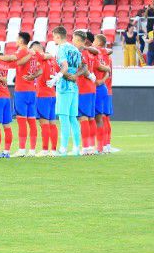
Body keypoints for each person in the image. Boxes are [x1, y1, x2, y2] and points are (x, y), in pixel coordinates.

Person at [0, 31, 40, 157]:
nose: (16, 41)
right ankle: (32, 150)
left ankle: (22, 149)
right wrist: (33, 76)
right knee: (32, 121)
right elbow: (39, 69)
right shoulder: (33, 54)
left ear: (21, 41)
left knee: (22, 120)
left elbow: (12, 58)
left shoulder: (23, 51)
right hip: (32, 91)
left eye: (17, 39)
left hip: (22, 90)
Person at [51, 26, 85, 157]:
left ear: (58, 36)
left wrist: (58, 76)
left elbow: (64, 66)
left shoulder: (61, 49)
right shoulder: (75, 49)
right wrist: (75, 75)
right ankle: (76, 148)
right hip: (74, 87)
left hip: (64, 87)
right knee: (73, 119)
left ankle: (63, 149)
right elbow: (82, 67)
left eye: (54, 36)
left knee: (64, 118)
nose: (53, 39)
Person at [32, 41, 59, 157]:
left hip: (43, 95)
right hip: (52, 94)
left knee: (44, 124)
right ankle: (53, 150)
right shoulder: (52, 60)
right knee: (52, 123)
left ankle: (44, 150)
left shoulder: (41, 57)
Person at [93, 33, 118, 154]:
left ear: (98, 43)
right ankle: (107, 145)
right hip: (108, 90)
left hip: (102, 88)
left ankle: (102, 146)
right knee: (105, 118)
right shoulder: (107, 55)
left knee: (101, 118)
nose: (93, 43)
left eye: (94, 41)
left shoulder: (99, 53)